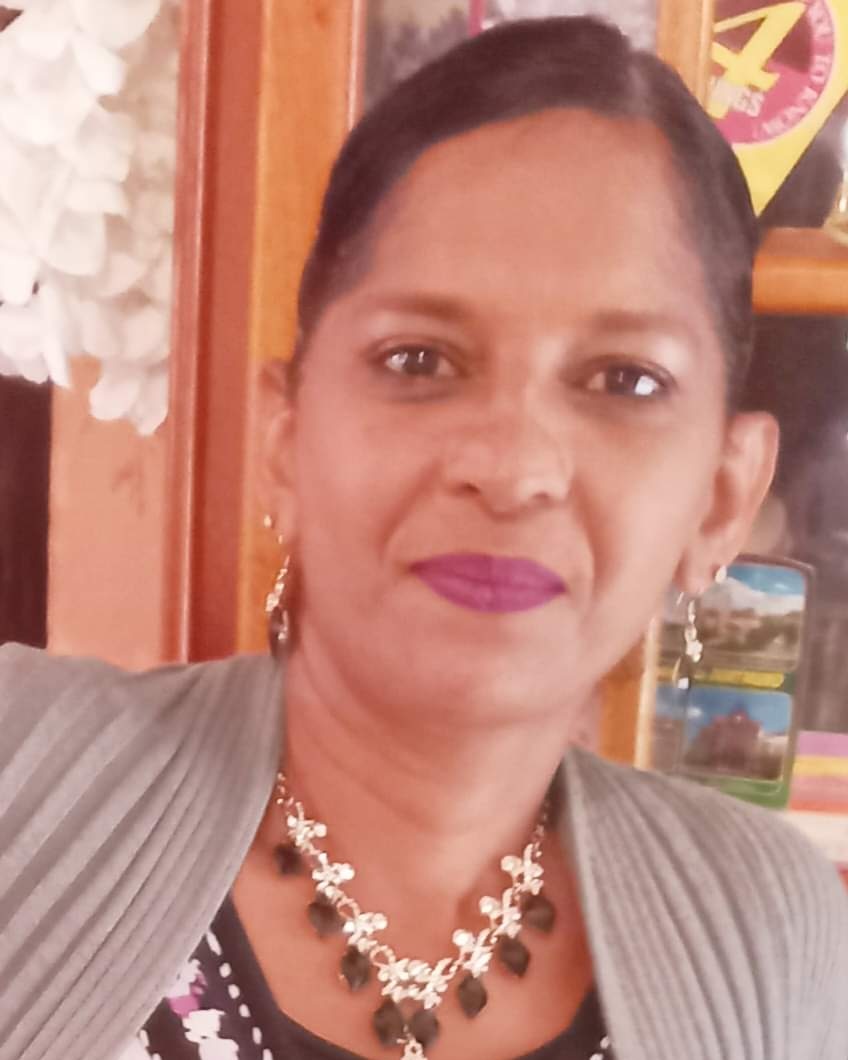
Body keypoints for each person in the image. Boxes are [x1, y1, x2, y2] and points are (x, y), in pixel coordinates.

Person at [1, 15, 847, 1060]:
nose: (511, 465)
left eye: (624, 380)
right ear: (284, 439)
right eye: (419, 361)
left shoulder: (765, 927)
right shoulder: (20, 779)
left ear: (721, 494)